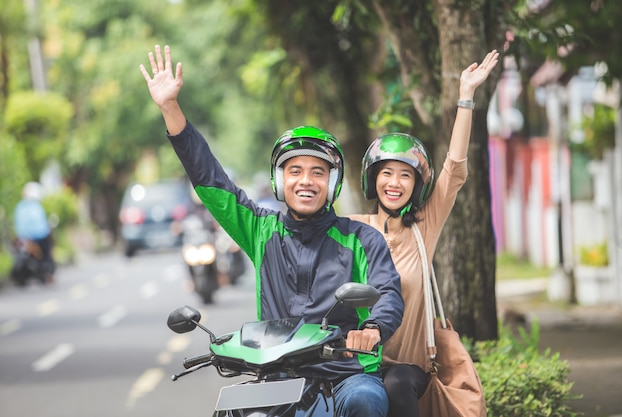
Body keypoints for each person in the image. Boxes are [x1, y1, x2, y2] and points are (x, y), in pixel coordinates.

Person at [140, 44, 404, 417]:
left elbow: (388, 291)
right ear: (280, 181)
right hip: (278, 378)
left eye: (317, 172)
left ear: (333, 182)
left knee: (366, 401)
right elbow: (211, 180)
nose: (306, 181)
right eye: (294, 171)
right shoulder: (261, 230)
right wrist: (171, 108)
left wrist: (374, 327)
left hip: (347, 373)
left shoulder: (362, 239)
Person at [348, 50, 500, 417]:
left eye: (405, 175)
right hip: (356, 365)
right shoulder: (351, 231)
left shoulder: (422, 228)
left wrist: (465, 96)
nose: (394, 182)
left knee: (396, 386)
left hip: (408, 368)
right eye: (386, 173)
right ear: (373, 179)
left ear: (416, 185)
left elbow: (455, 169)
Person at [12, 181, 56, 283]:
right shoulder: (36, 207)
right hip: (38, 237)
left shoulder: (19, 207)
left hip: (22, 237)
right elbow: (42, 226)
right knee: (47, 251)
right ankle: (47, 271)